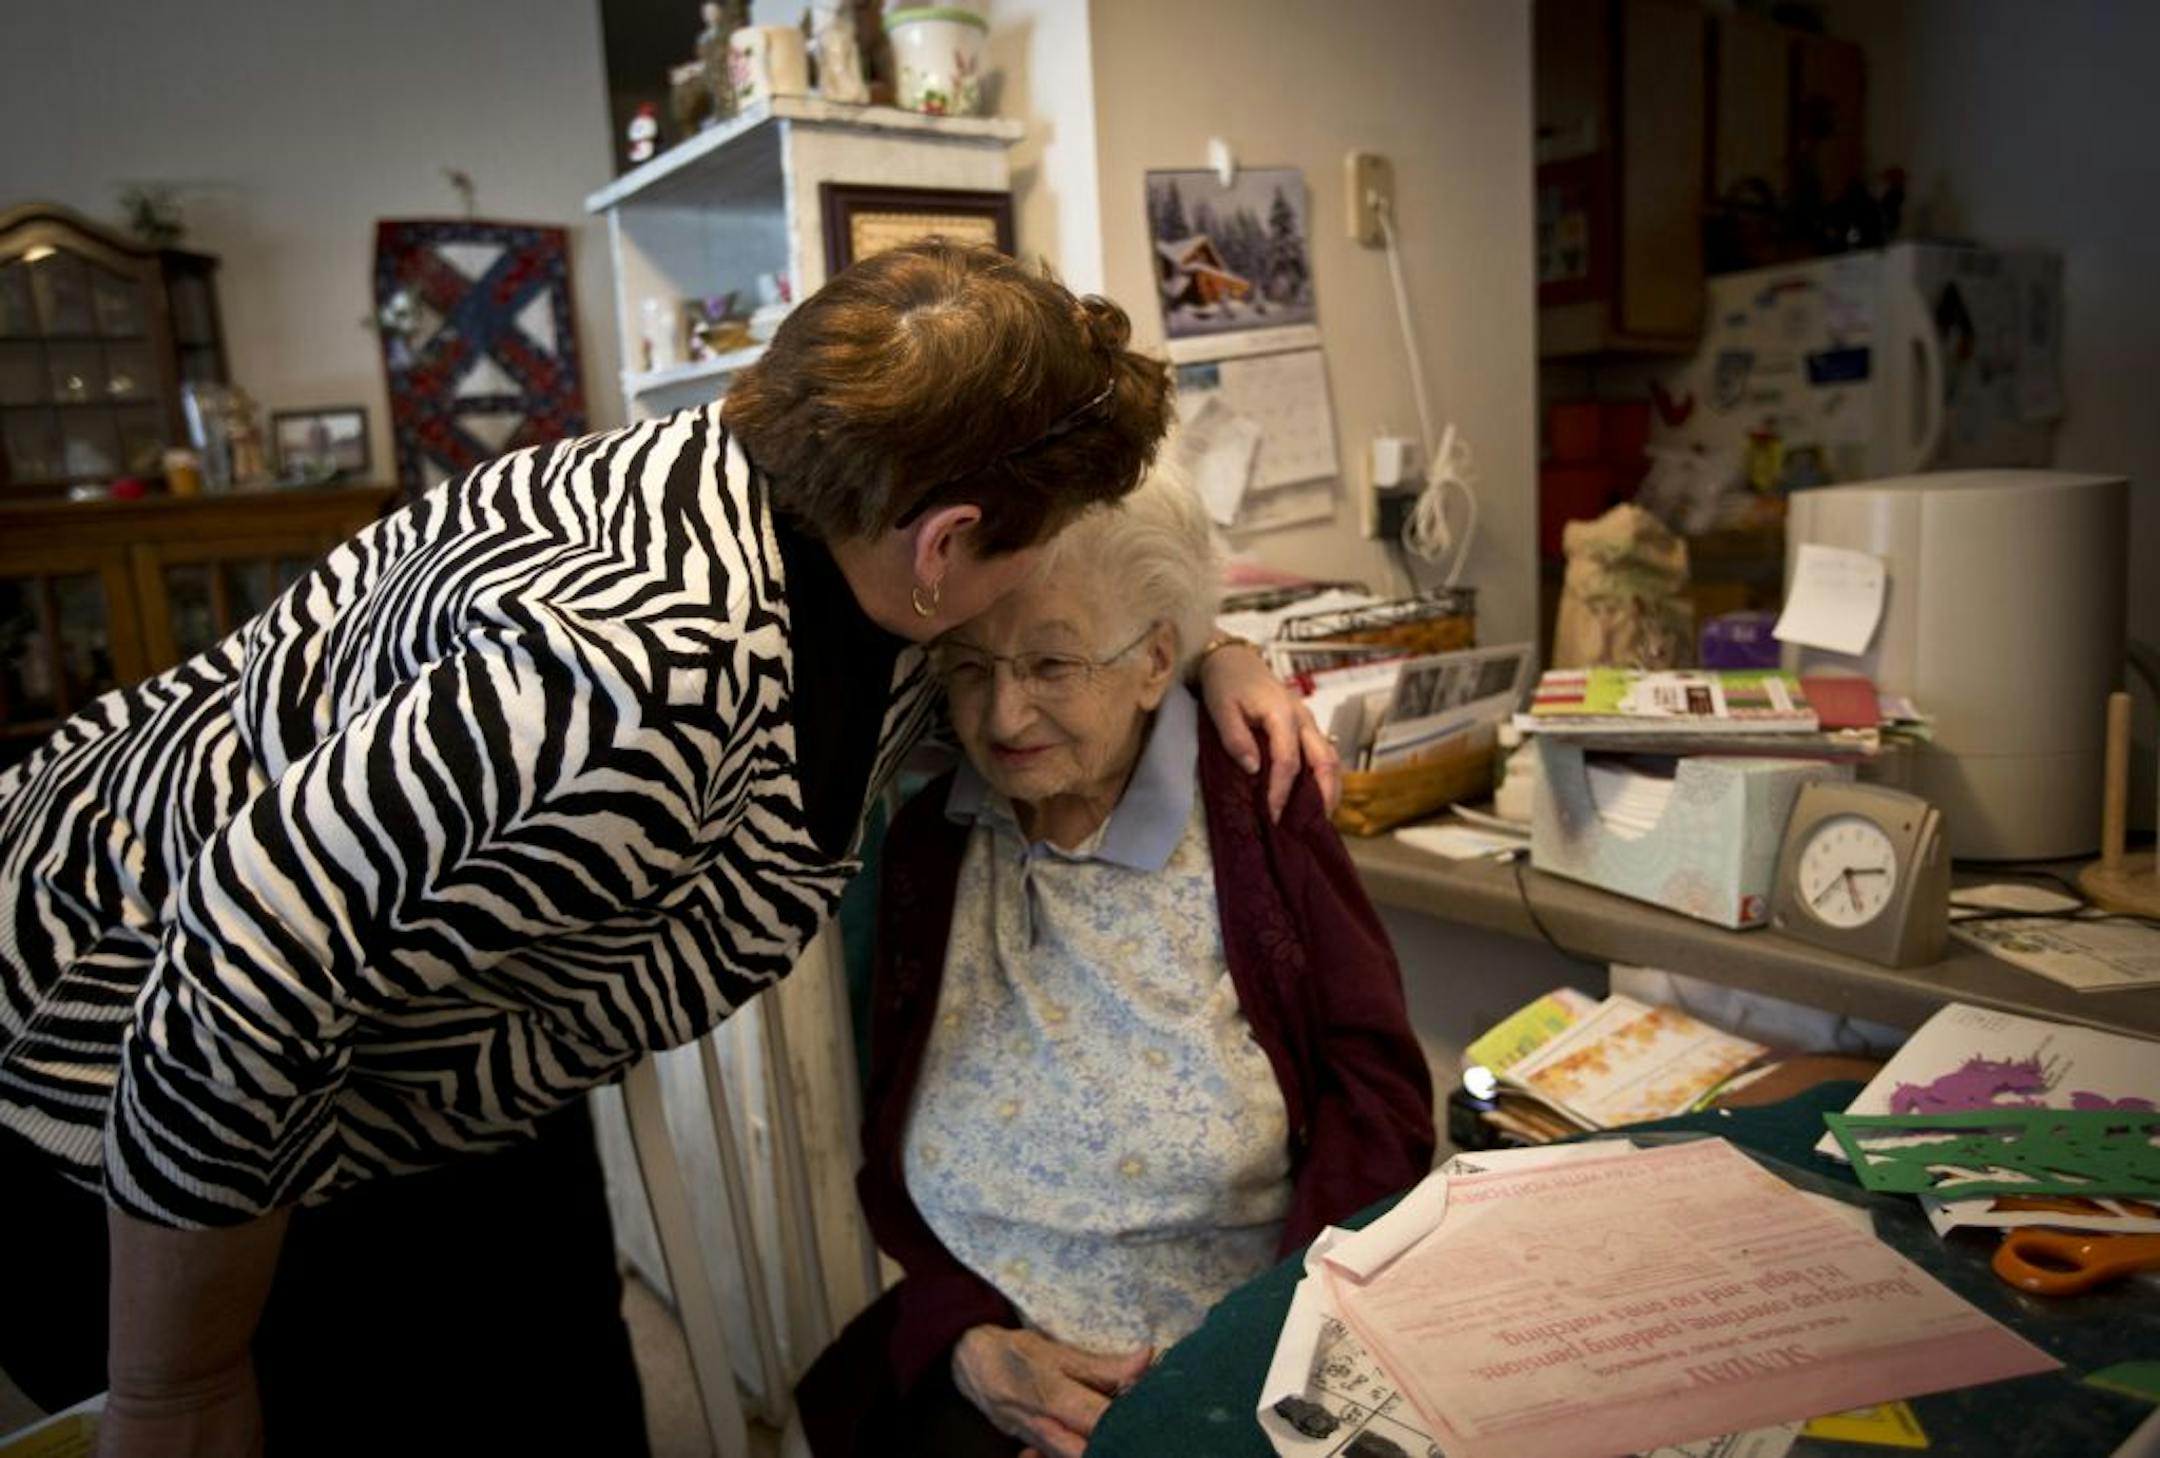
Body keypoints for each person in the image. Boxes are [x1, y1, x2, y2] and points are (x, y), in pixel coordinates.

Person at [0, 241, 1334, 1457]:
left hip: (439, 1052)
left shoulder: (838, 529)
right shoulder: (627, 677)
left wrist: (1207, 653)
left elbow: (1051, 642)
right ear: (945, 545)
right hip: (133, 1055)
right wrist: (177, 1382)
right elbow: (243, 951)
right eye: (1036, 545)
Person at [797, 470, 1434, 1458]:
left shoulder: (1257, 803)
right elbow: (885, 1143)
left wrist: (1276, 1339)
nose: (1004, 719)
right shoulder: (925, 839)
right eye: (970, 667)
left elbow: (1378, 1097)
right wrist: (966, 1340)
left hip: (1244, 1348)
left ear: (1154, 665)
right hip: (984, 1340)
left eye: (1052, 665)